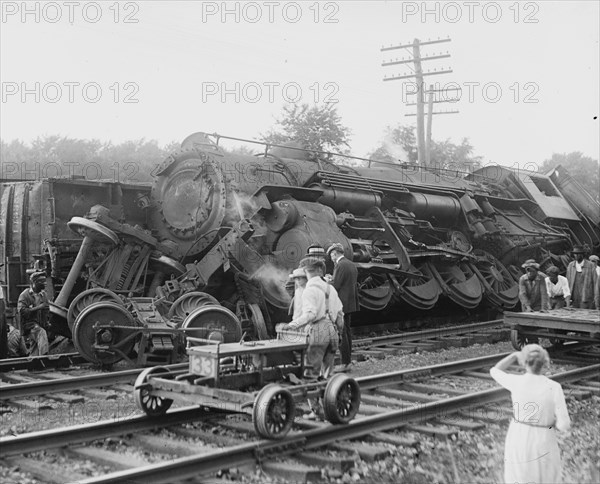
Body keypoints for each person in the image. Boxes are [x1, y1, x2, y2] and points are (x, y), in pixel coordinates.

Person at [490, 345, 571, 484]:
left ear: (524, 362)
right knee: (545, 477)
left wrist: (514, 355)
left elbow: (494, 370)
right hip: (544, 437)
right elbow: (564, 425)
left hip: (518, 435)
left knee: (518, 477)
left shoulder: (516, 382)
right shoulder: (554, 387)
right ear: (545, 363)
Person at [283, 257, 341, 381]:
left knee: (311, 373)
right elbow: (340, 315)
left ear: (306, 272)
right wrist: (338, 332)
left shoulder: (309, 290)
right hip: (333, 330)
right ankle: (327, 397)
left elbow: (310, 314)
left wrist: (291, 325)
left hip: (319, 331)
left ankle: (312, 395)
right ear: (320, 271)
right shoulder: (331, 289)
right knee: (328, 375)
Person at [327, 243, 359, 373]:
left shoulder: (340, 265)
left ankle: (345, 363)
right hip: (351, 302)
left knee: (342, 333)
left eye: (331, 256)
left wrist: (328, 281)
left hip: (342, 304)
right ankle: (348, 360)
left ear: (335, 253)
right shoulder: (351, 264)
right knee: (348, 332)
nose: (331, 259)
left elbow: (336, 285)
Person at [17, 271, 49, 356]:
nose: (44, 284)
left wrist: (47, 322)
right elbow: (22, 311)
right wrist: (39, 307)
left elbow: (46, 309)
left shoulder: (43, 294)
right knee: (41, 333)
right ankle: (45, 358)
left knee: (35, 347)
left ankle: (34, 365)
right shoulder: (24, 295)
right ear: (34, 283)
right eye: (42, 282)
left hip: (41, 323)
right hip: (29, 326)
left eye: (45, 281)